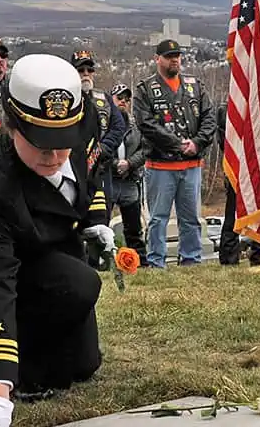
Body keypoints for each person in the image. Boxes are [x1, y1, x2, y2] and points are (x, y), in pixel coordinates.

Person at [0, 54, 114, 427]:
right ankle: (23, 365)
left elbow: (89, 175)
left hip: (48, 240)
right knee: (79, 285)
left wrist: (95, 220)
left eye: (61, 143)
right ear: (11, 126)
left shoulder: (80, 123)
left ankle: (44, 350)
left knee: (83, 365)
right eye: (41, 144)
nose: (53, 155)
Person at [133, 39, 215, 268]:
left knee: (190, 219)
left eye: (177, 55)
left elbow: (209, 117)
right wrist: (177, 144)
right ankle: (156, 262)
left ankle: (191, 259)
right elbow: (146, 124)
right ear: (157, 59)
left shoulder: (195, 86)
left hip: (191, 166)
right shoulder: (145, 89)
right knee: (158, 218)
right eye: (169, 56)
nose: (175, 60)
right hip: (160, 167)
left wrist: (197, 143)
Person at [71, 50, 126, 222]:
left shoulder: (104, 98)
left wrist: (103, 148)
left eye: (89, 70)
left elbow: (118, 126)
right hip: (75, 169)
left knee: (103, 218)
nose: (86, 74)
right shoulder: (65, 98)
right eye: (81, 70)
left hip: (102, 168)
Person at [217, 101, 260, 267]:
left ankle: (259, 253)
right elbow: (225, 143)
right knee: (232, 213)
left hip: (259, 166)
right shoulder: (226, 109)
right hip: (236, 168)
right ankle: (229, 257)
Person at [109, 83, 147, 256]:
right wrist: (114, 163)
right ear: (111, 100)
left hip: (130, 180)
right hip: (107, 179)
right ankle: (100, 262)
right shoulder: (103, 123)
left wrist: (130, 163)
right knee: (100, 224)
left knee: (134, 228)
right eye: (119, 98)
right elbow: (96, 148)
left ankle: (139, 261)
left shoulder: (136, 125)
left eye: (126, 99)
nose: (123, 102)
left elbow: (145, 149)